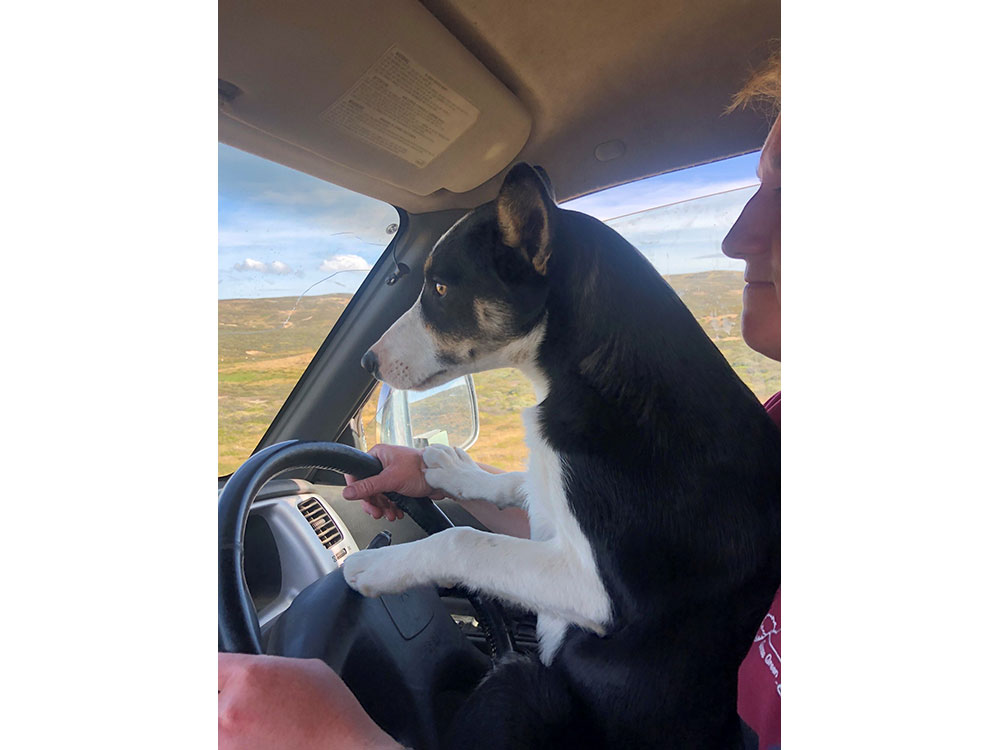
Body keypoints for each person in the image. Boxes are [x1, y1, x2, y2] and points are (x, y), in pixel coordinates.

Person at [219, 56, 782, 750]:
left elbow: (600, 591)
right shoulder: (756, 431)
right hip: (595, 688)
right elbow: (616, 536)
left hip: (603, 727)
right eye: (759, 187)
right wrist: (455, 480)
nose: (737, 236)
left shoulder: (718, 440)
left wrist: (339, 739)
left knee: (512, 700)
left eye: (442, 295)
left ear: (533, 251)